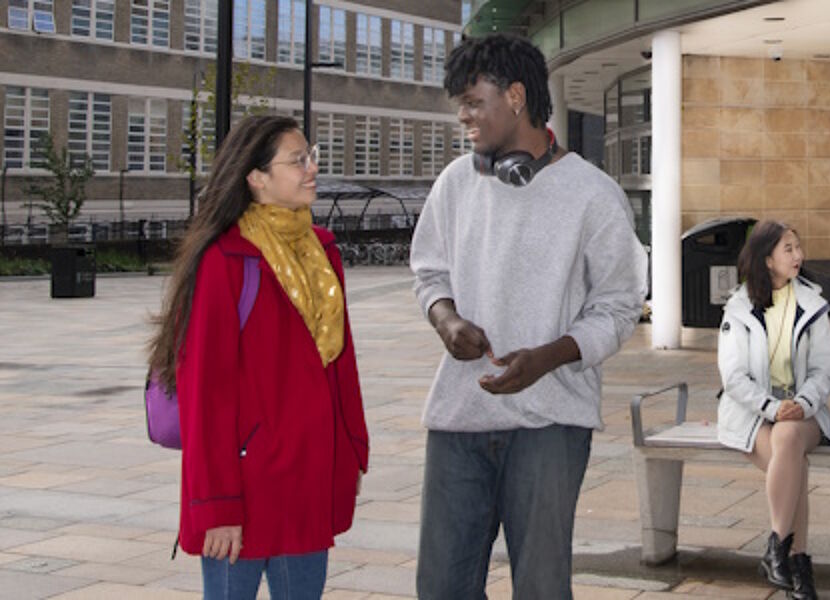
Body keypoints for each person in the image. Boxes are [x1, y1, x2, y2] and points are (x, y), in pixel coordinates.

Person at [409, 33, 648, 599]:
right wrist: (445, 319)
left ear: (516, 96)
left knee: (541, 589)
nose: (463, 117)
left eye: (473, 101)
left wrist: (549, 357)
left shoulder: (594, 194)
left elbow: (618, 308)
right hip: (457, 422)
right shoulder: (454, 184)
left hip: (550, 426)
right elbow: (429, 273)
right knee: (441, 588)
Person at [148, 115, 370, 599]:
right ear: (256, 177)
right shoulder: (225, 261)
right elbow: (204, 392)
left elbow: (340, 367)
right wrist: (217, 505)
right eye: (297, 160)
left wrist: (350, 450)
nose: (311, 168)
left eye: (311, 157)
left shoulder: (323, 252)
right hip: (243, 492)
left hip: (307, 480)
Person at [717, 221, 830, 599]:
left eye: (798, 248)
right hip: (752, 412)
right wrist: (771, 407)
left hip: (804, 412)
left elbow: (823, 371)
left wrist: (800, 404)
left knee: (789, 438)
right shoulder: (738, 307)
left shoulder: (812, 305)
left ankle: (775, 546)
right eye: (789, 249)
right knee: (795, 465)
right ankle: (798, 565)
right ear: (767, 258)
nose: (798, 256)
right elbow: (733, 376)